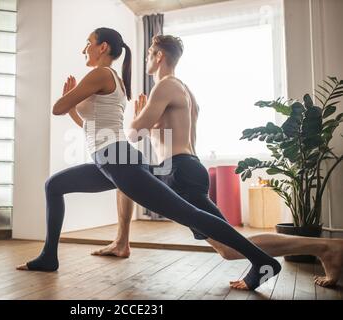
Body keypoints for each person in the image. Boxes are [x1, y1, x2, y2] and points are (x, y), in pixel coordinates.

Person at [17, 28, 282, 291]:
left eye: (88, 43)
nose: (84, 49)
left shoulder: (100, 73)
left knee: (190, 214)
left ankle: (262, 261)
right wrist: (75, 104)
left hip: (117, 158)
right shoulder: (114, 79)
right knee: (54, 185)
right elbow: (86, 125)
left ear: (103, 47)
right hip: (109, 159)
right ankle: (49, 257)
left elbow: (57, 108)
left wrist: (70, 96)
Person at [91, 34, 343, 289]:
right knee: (128, 178)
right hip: (183, 167)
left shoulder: (165, 86)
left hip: (178, 171)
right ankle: (121, 241)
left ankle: (325, 247)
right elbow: (168, 132)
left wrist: (138, 116)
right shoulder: (185, 92)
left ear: (159, 56)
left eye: (148, 55)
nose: (147, 60)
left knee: (228, 247)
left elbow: (134, 132)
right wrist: (151, 122)